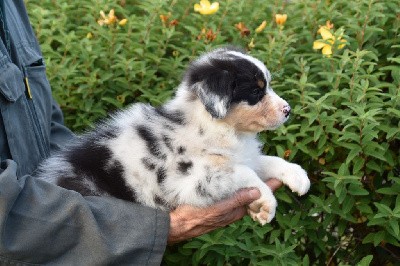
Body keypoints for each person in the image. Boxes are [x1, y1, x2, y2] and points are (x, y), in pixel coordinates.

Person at [0, 0, 282, 265]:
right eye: (258, 93)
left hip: (67, 231)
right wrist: (151, 228)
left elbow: (44, 125)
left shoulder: (11, 7)